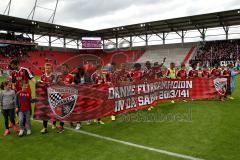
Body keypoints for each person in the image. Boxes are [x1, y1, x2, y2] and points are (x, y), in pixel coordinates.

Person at [40, 63, 58, 134]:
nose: (47, 69)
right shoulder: (42, 76)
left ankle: (54, 123)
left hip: (53, 96)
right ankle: (45, 127)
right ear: (44, 69)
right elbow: (41, 87)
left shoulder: (54, 76)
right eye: (46, 68)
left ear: (51, 69)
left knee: (54, 111)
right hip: (45, 97)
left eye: (49, 68)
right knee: (45, 113)